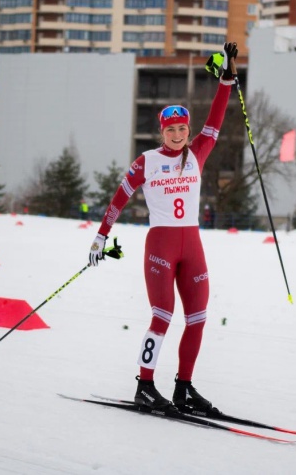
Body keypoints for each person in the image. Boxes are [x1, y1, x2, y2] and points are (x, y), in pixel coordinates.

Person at [87, 42, 239, 413]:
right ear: (162, 131)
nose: (177, 135)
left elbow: (216, 120)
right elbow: (120, 197)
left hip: (193, 246)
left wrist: (226, 80)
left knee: (199, 318)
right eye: (171, 129)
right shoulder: (147, 161)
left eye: (182, 128)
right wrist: (100, 235)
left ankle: (183, 387)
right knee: (162, 316)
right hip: (161, 246)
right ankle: (145, 384)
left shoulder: (198, 152)